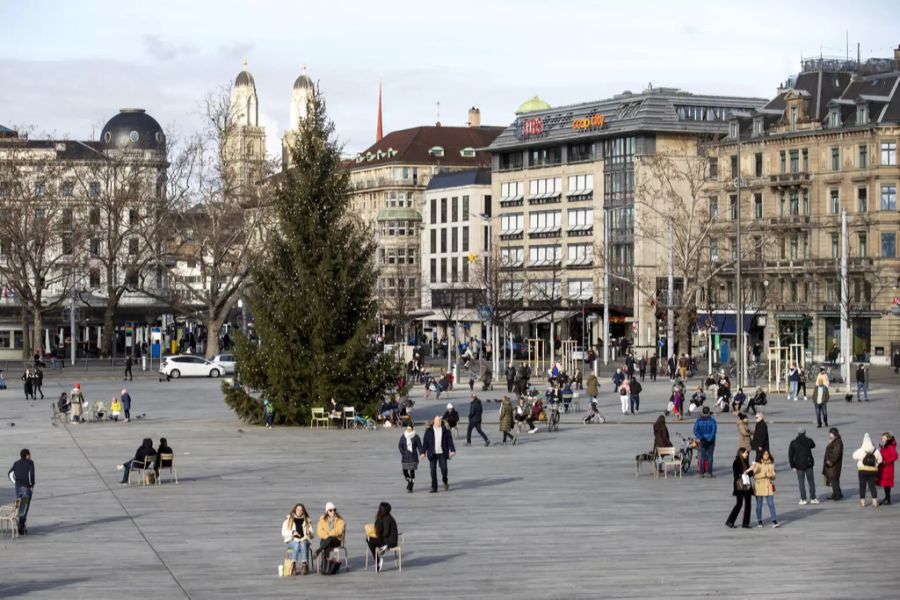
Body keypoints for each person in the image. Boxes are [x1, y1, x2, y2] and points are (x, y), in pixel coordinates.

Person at [421, 415, 455, 492]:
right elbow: (425, 443)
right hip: (432, 453)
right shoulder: (429, 431)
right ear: (434, 421)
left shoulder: (445, 430)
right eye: (438, 421)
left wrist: (452, 450)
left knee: (444, 469)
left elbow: (450, 441)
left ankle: (445, 480)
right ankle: (434, 487)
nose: (439, 422)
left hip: (442, 453)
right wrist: (423, 452)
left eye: (440, 420)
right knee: (433, 471)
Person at [748, 450, 780, 527]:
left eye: (767, 454)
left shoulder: (771, 463)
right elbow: (755, 476)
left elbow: (774, 475)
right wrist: (765, 474)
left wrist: (770, 475)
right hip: (759, 486)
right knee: (759, 505)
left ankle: (774, 520)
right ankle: (759, 520)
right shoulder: (757, 464)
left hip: (768, 485)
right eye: (765, 454)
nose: (766, 455)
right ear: (761, 455)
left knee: (771, 504)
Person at [7, 448, 35, 535]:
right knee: (24, 509)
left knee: (20, 508)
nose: (30, 456)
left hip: (18, 488)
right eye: (30, 454)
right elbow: (31, 474)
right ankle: (20, 527)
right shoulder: (30, 462)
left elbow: (10, 474)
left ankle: (22, 526)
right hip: (26, 488)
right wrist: (31, 484)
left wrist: (15, 482)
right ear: (27, 455)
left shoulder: (16, 463)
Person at [788, 427, 819, 504]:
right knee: (811, 482)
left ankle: (803, 499)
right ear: (805, 432)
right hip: (808, 464)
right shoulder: (808, 441)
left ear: (798, 433)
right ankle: (813, 498)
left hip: (798, 465)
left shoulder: (793, 442)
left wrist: (792, 466)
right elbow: (813, 445)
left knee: (801, 483)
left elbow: (790, 455)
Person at [852, 433, 883, 508]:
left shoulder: (861, 450)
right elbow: (880, 460)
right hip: (873, 471)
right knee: (872, 486)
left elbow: (854, 456)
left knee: (862, 486)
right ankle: (875, 502)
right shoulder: (875, 450)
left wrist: (862, 458)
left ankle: (862, 503)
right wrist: (875, 464)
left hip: (862, 470)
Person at [366, 502, 398, 572]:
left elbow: (386, 533)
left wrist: (377, 535)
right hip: (388, 539)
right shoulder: (385, 517)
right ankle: (380, 555)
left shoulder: (387, 518)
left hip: (390, 541)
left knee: (370, 541)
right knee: (369, 540)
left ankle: (378, 561)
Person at [282, 503, 314, 575]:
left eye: (301, 510)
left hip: (304, 540)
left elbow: (313, 535)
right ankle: (293, 565)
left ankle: (304, 565)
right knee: (296, 544)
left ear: (303, 511)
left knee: (302, 543)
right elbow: (283, 533)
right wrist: (292, 532)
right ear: (295, 510)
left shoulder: (307, 520)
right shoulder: (288, 520)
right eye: (298, 509)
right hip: (292, 540)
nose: (299, 511)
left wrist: (309, 533)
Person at [726, 448, 753, 529]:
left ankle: (745, 523)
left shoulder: (745, 461)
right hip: (740, 485)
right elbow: (738, 474)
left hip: (747, 485)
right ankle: (730, 521)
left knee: (748, 504)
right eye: (745, 453)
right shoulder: (736, 462)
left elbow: (749, 475)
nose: (747, 454)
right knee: (739, 504)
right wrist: (748, 470)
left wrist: (752, 469)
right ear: (741, 453)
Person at [693, 406, 717, 477]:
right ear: (709, 412)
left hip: (702, 441)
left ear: (702, 412)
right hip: (711, 441)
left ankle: (701, 473)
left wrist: (701, 438)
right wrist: (709, 439)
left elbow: (695, 430)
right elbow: (713, 431)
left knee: (702, 457)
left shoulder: (699, 420)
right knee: (710, 456)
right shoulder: (712, 421)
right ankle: (709, 473)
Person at [398, 424, 423, 492]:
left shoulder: (416, 437)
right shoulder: (403, 436)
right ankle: (409, 481)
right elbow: (400, 445)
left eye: (410, 429)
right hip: (405, 457)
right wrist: (403, 452)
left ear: (412, 429)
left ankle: (411, 485)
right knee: (404, 471)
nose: (408, 430)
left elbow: (419, 446)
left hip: (413, 456)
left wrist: (421, 453)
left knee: (412, 471)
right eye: (407, 429)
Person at [823, 427, 844, 501]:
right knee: (834, 480)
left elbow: (836, 454)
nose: (829, 434)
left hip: (833, 466)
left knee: (834, 480)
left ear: (834, 434)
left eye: (830, 433)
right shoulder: (834, 441)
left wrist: (830, 462)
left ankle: (837, 495)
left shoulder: (838, 442)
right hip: (832, 465)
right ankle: (837, 494)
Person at [876, 432, 896, 505]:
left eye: (884, 438)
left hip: (888, 468)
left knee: (887, 484)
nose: (882, 439)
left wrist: (886, 462)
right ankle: (887, 498)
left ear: (888, 439)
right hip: (884, 468)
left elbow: (895, 456)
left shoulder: (890, 446)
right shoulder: (884, 446)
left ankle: (888, 499)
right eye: (882, 437)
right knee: (885, 484)